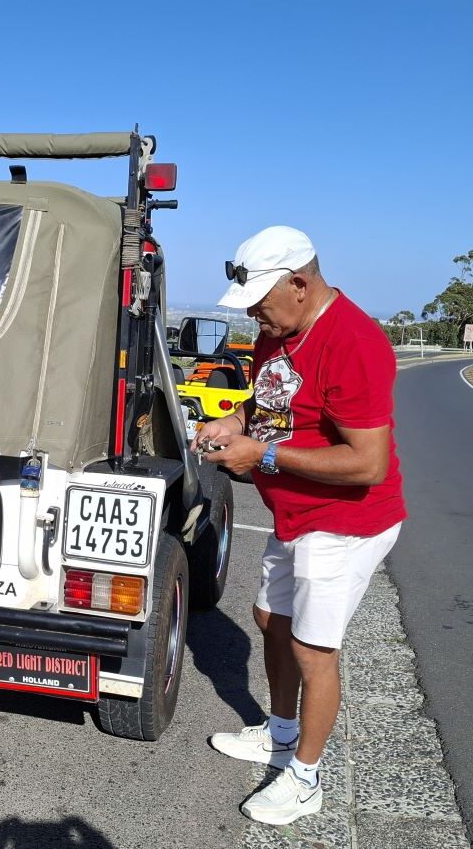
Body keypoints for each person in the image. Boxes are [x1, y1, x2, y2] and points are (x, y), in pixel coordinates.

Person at [193, 226, 406, 826]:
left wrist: (261, 456)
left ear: (299, 284)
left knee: (313, 649)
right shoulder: (277, 332)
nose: (254, 316)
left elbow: (368, 463)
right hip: (295, 513)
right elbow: (267, 404)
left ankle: (305, 779)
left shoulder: (354, 342)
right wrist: (234, 423)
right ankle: (281, 734)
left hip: (344, 522)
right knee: (271, 620)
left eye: (260, 302)